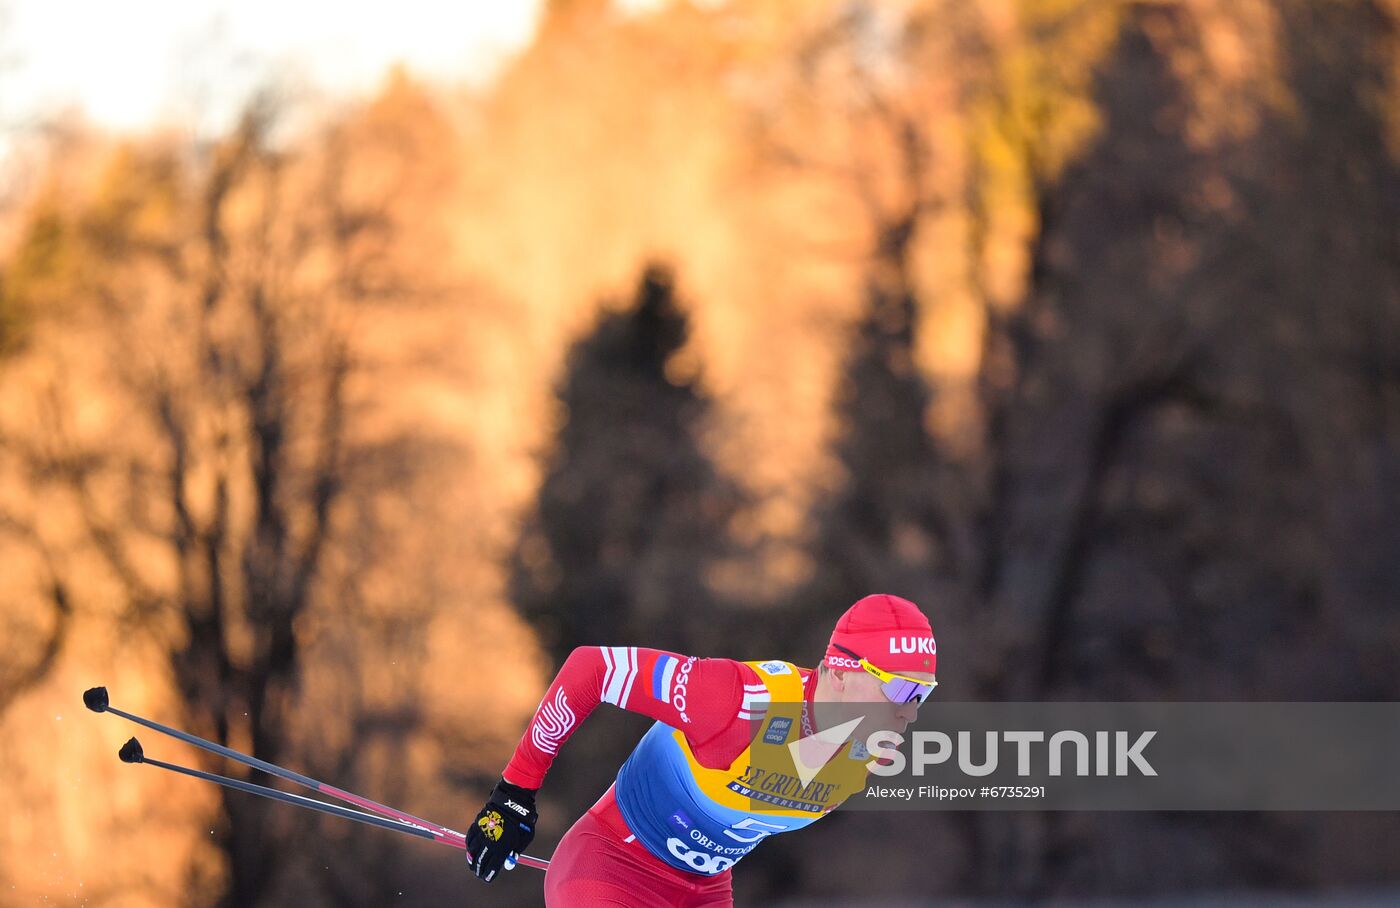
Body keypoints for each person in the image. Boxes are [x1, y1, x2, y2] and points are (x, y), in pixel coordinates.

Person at [465, 593, 937, 907]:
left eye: (922, 694)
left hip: (703, 895)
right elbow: (592, 668)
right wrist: (514, 795)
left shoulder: (866, 752)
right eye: (898, 690)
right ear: (839, 671)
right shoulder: (737, 701)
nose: (909, 712)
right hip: (610, 869)